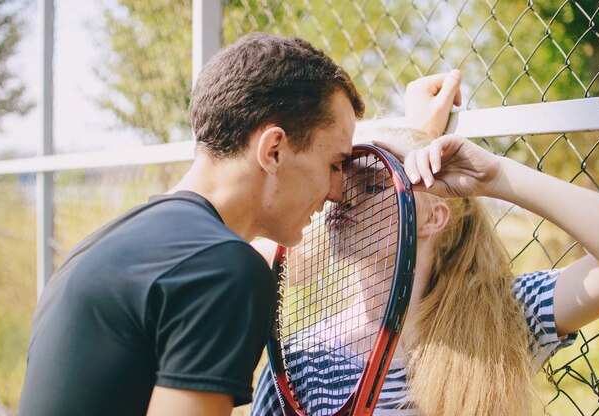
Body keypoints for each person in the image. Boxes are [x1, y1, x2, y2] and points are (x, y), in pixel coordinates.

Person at [18, 33, 365, 416]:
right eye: (335, 164)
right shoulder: (221, 269)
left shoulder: (110, 243)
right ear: (274, 150)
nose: (339, 190)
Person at [251, 72, 599, 416]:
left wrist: (497, 177)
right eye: (341, 179)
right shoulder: (298, 361)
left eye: (374, 186)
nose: (342, 196)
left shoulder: (504, 315)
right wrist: (415, 136)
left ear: (433, 218)